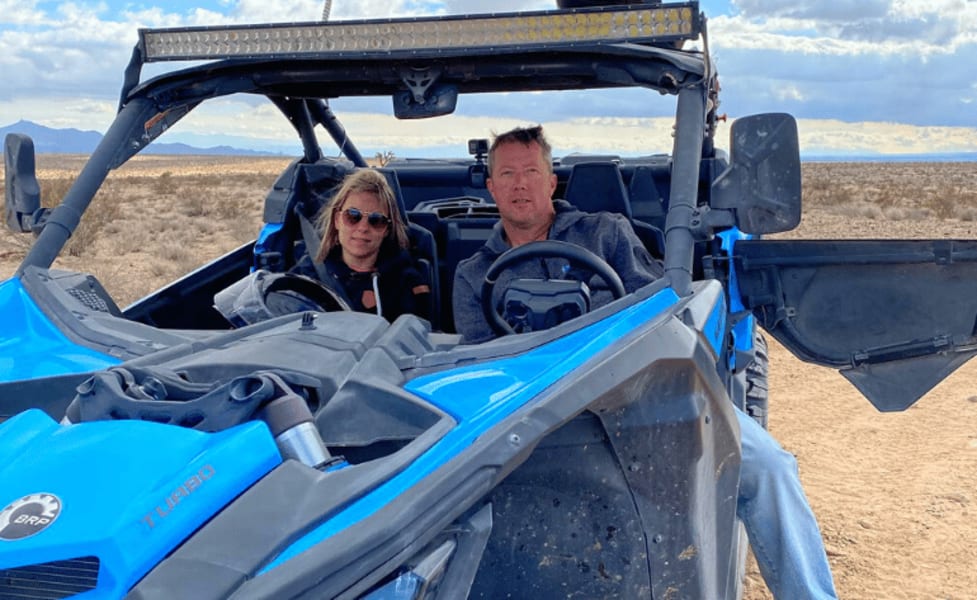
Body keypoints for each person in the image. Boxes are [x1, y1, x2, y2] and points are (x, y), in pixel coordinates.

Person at [452, 125, 838, 600]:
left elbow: (663, 311)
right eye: (506, 174)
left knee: (769, 467)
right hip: (527, 413)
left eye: (531, 172)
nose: (519, 184)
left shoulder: (606, 233)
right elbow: (481, 359)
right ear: (491, 187)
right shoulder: (473, 275)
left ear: (552, 182)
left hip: (637, 392)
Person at [295, 168, 431, 322]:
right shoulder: (307, 275)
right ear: (337, 220)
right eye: (353, 216)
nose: (363, 228)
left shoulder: (406, 282)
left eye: (376, 220)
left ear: (387, 229)